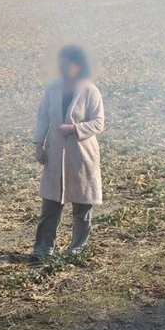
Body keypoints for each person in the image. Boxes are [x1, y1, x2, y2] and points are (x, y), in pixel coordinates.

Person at [31, 45, 105, 261]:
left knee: (82, 204)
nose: (62, 68)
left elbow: (99, 123)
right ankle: (42, 249)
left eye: (67, 64)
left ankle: (77, 248)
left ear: (78, 66)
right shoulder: (52, 89)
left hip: (82, 154)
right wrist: (38, 145)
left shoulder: (90, 91)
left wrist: (74, 129)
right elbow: (42, 117)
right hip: (55, 153)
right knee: (51, 203)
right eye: (60, 64)